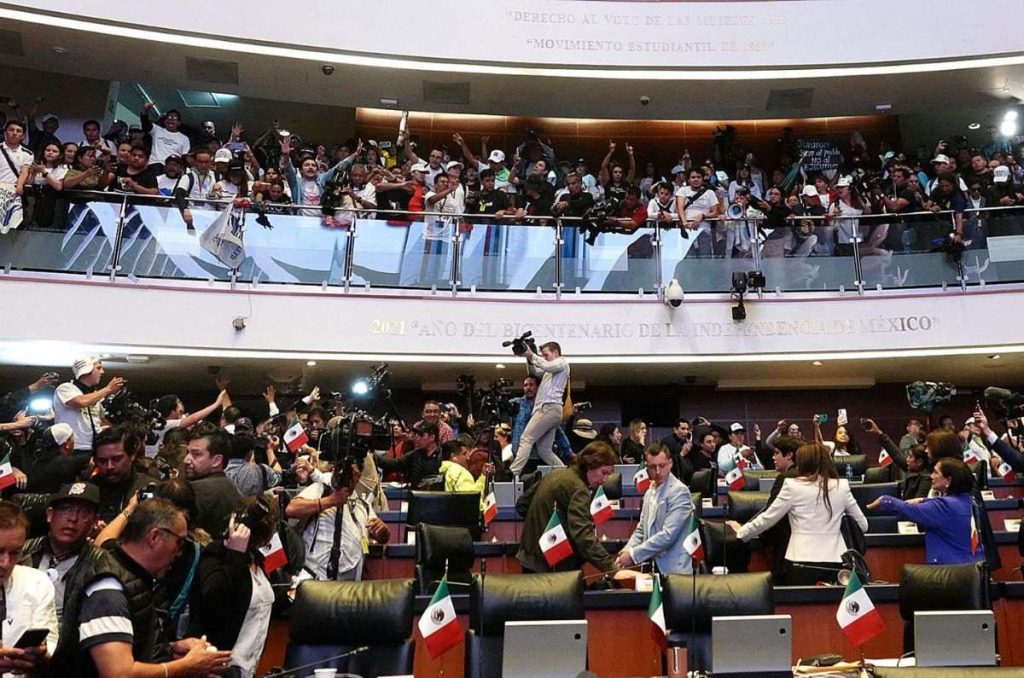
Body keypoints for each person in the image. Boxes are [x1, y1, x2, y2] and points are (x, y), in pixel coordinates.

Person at [71, 498, 234, 677]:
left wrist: (171, 648)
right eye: (179, 542)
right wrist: (187, 666)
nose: (180, 553)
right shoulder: (108, 590)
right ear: (154, 537)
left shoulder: (134, 574)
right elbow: (118, 674)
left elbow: (134, 648)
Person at [727, 443, 868, 585]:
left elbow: (767, 519)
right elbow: (863, 525)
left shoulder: (792, 486)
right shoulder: (841, 486)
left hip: (800, 560)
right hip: (837, 562)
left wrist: (741, 532)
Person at [19, 482, 110, 674]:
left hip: (71, 665)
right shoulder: (20, 553)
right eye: (65, 509)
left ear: (95, 522)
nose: (73, 519)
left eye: (84, 512)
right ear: (50, 515)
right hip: (17, 654)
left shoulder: (102, 567)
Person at [189, 496, 279, 678]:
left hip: (248, 669)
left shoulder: (257, 560)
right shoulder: (215, 556)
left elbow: (259, 601)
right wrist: (235, 554)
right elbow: (214, 599)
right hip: (218, 669)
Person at [516, 441, 617, 573]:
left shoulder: (554, 474)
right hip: (553, 566)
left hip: (529, 558)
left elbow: (522, 505)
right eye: (603, 473)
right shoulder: (579, 489)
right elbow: (582, 534)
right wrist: (610, 566)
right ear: (590, 465)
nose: (605, 480)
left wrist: (541, 525)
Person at [284, 456, 389, 580]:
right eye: (344, 471)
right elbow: (291, 509)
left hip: (351, 582)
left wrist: (383, 532)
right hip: (317, 577)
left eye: (353, 473)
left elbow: (380, 535)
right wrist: (330, 501)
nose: (347, 476)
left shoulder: (363, 503)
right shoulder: (322, 489)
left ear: (359, 476)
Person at [868, 458, 982, 565]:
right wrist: (924, 499)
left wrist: (885, 500)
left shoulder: (944, 506)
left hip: (952, 573)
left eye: (936, 473)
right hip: (974, 567)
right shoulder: (969, 501)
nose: (931, 476)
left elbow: (909, 510)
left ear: (948, 480)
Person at [615, 444, 695, 574]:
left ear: (670, 463)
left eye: (662, 466)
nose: (658, 472)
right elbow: (641, 529)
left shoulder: (679, 491)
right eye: (653, 467)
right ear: (646, 467)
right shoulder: (649, 491)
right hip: (652, 568)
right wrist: (628, 549)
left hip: (675, 572)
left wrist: (633, 555)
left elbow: (668, 535)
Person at [0, 501, 57, 678]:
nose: (5, 563)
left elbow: (51, 641)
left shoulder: (37, 582)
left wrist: (41, 654)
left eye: (15, 552)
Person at [508, 341, 570, 476]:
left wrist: (532, 354)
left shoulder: (562, 362)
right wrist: (528, 357)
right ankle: (566, 474)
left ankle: (513, 473)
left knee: (526, 439)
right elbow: (534, 372)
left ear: (556, 352)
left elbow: (546, 365)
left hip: (548, 408)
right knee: (544, 451)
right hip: (551, 410)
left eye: (546, 354)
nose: (544, 357)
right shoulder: (550, 371)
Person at [53, 356, 124, 453]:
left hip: (92, 447)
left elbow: (100, 420)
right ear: (86, 370)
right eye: (98, 368)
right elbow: (81, 402)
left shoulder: (94, 396)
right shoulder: (66, 388)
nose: (102, 372)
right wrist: (108, 389)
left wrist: (119, 430)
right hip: (72, 448)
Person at [90, 425, 153, 524]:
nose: (109, 466)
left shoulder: (148, 488)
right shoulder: (90, 489)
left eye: (116, 459)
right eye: (102, 461)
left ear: (132, 455)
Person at [184, 429, 242, 535]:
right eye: (187, 453)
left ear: (217, 461)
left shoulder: (197, 490)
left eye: (196, 454)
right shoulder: (228, 485)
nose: (186, 460)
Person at [376, 422, 444, 489]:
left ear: (432, 437)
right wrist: (374, 457)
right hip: (415, 495)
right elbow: (395, 464)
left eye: (421, 435)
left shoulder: (444, 455)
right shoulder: (416, 454)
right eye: (416, 435)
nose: (417, 438)